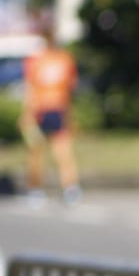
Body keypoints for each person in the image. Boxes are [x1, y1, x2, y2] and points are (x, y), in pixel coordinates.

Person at [20, 26, 81, 206]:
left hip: (48, 109)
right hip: (49, 110)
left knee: (52, 152)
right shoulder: (62, 59)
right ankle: (47, 189)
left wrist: (27, 114)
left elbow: (31, 89)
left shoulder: (45, 60)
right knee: (45, 152)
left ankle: (65, 188)